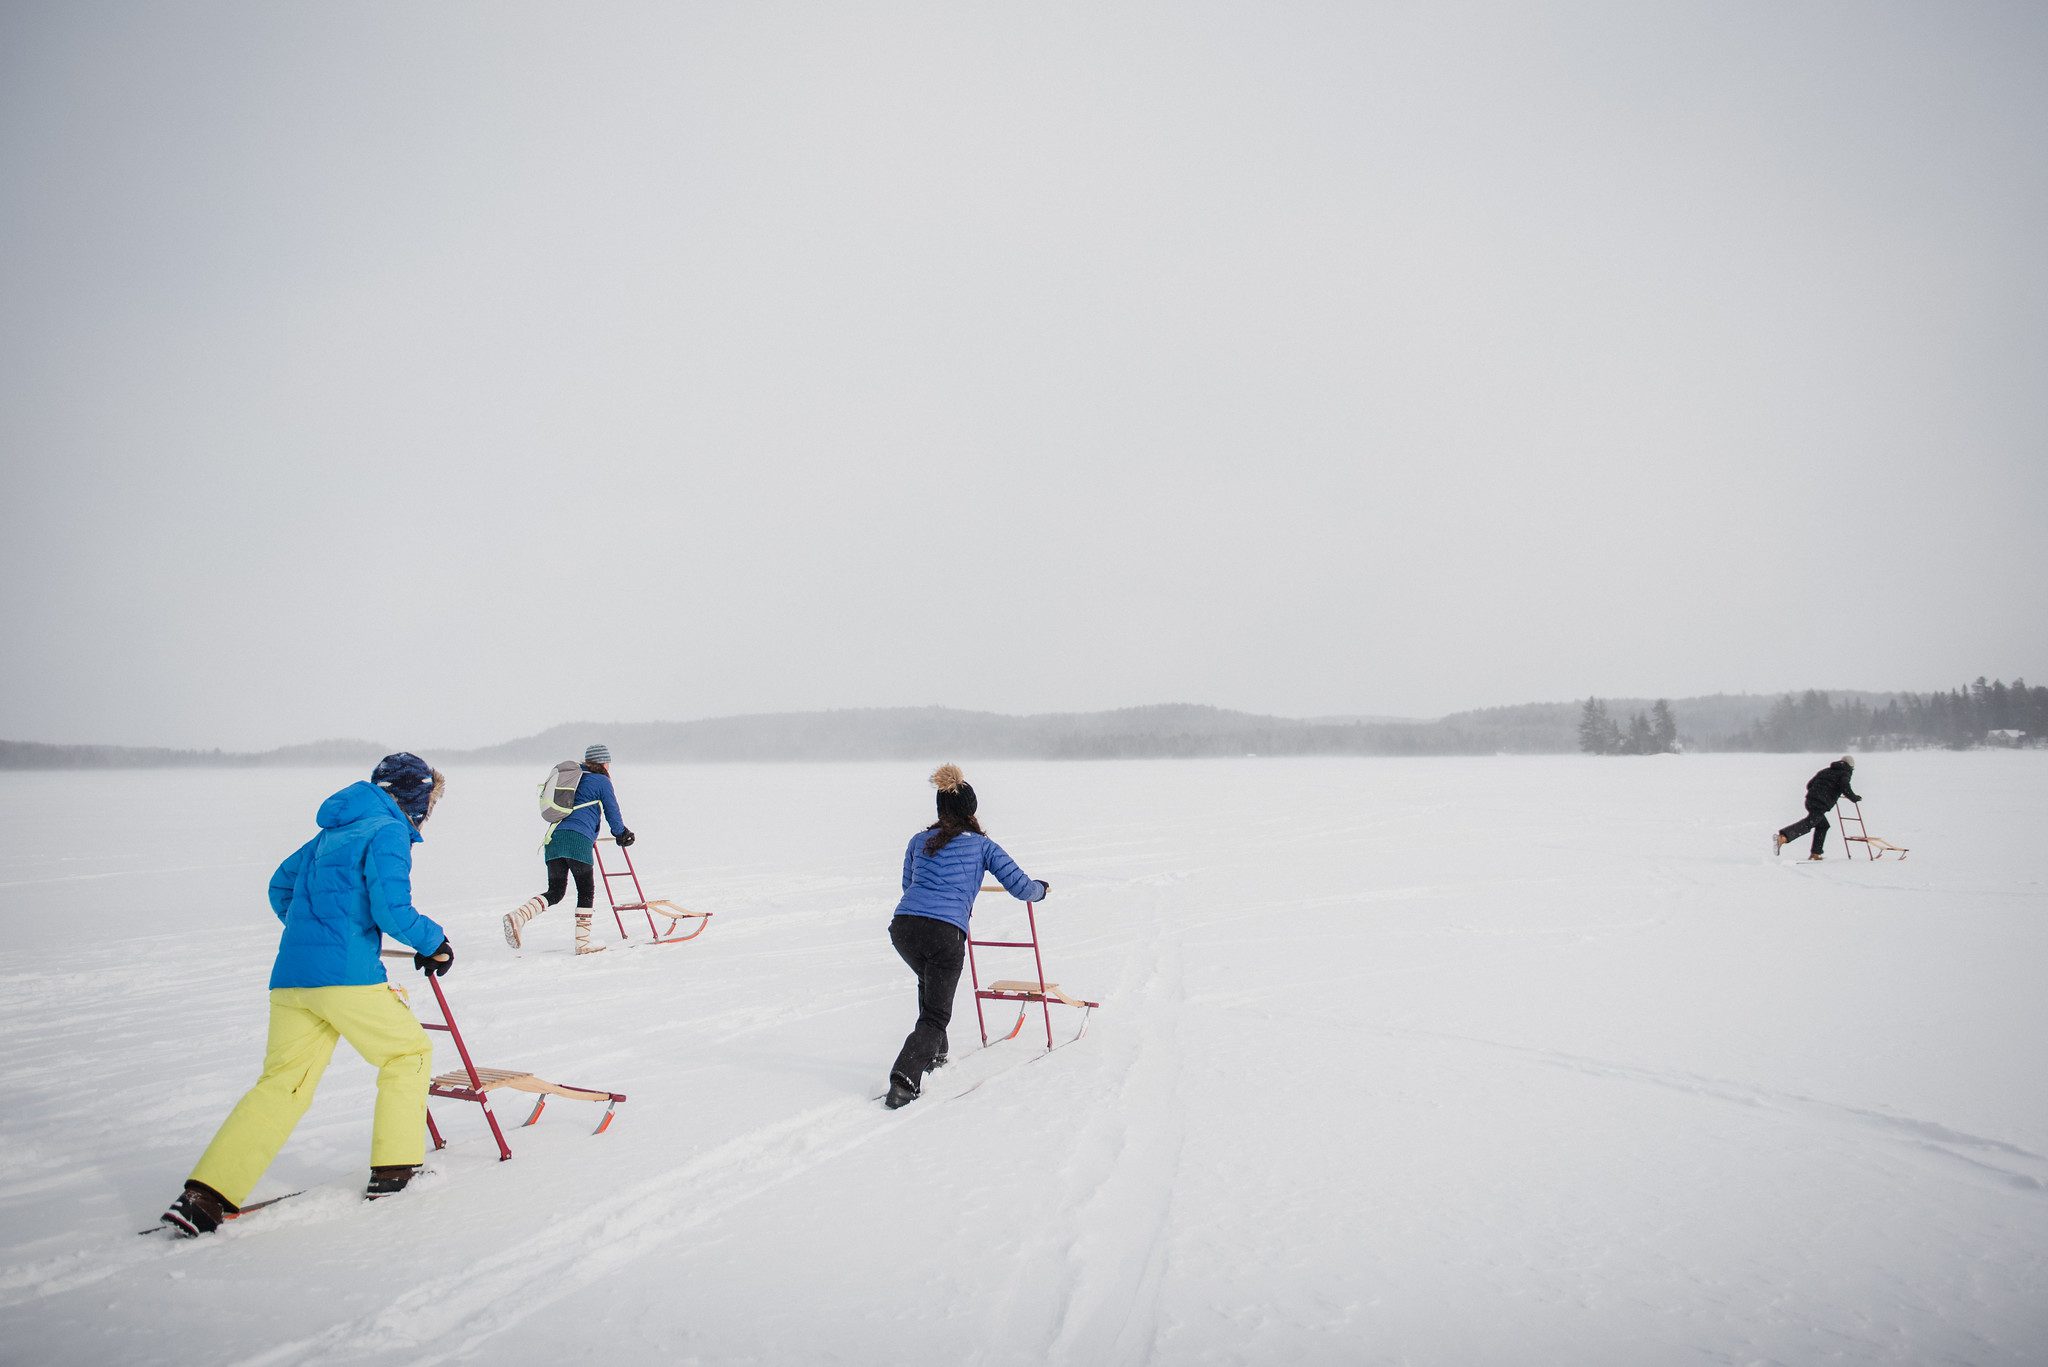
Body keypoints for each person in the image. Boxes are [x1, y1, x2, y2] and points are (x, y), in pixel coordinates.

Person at [157, 753, 454, 1237]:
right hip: (347, 978)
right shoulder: (387, 830)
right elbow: (392, 908)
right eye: (429, 802)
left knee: (282, 1083)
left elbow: (281, 888)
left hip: (292, 979)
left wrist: (312, 933)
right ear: (415, 799)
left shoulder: (333, 831)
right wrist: (434, 943)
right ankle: (394, 1172)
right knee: (409, 1053)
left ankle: (205, 1197)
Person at [883, 764, 1048, 1109]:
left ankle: (936, 1052)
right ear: (970, 812)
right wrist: (1041, 890)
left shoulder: (918, 840)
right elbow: (1020, 887)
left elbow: (907, 885)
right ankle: (905, 1077)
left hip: (904, 927)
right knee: (936, 1015)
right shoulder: (983, 846)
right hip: (945, 933)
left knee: (929, 984)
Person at [502, 743, 635, 955]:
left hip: (554, 838)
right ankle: (582, 943)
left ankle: (519, 916)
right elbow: (612, 810)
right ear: (603, 763)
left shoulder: (574, 777)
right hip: (578, 840)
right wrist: (622, 833)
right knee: (585, 890)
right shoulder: (601, 781)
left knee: (556, 891)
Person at [1776, 756, 1863, 860]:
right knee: (1809, 823)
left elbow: (1809, 785)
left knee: (1823, 825)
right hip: (1821, 803)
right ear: (1850, 766)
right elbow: (1845, 787)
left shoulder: (1826, 770)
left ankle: (1815, 854)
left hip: (1810, 800)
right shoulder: (1844, 773)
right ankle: (1784, 837)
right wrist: (1854, 798)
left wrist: (1821, 791)